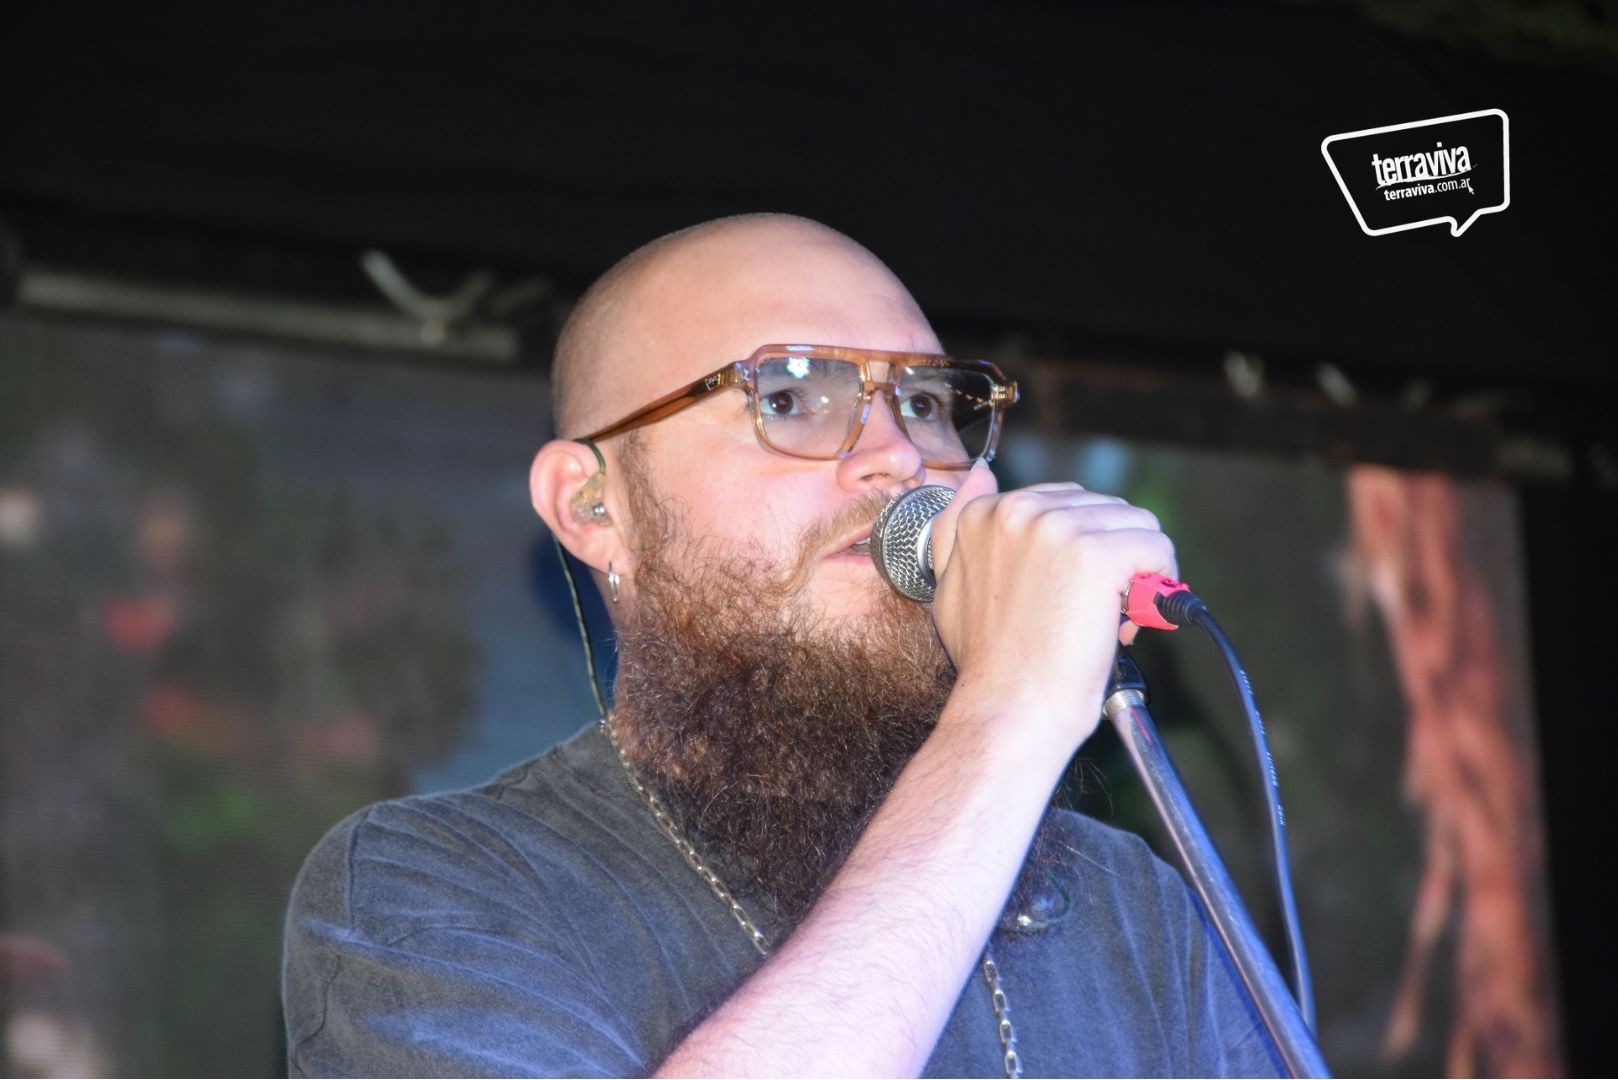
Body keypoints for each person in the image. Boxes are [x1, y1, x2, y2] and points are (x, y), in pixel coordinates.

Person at [282, 214, 1284, 1077]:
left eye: (926, 403)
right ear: (592, 506)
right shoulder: (433, 886)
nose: (900, 457)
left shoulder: (1135, 909)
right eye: (790, 396)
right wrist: (1007, 718)